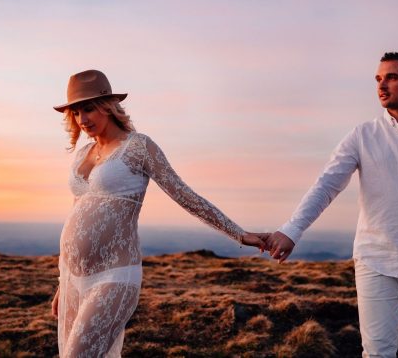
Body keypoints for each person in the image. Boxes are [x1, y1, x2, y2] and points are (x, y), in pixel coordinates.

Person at [264, 52, 398, 357]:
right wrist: (292, 230)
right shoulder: (361, 136)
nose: (382, 85)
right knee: (378, 352)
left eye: (391, 77)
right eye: (378, 79)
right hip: (375, 260)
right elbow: (326, 185)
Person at [50, 70, 264, 357]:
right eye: (75, 113)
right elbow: (77, 209)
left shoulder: (139, 147)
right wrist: (63, 283)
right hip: (73, 277)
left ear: (109, 106)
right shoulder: (82, 153)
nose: (82, 119)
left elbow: (185, 196)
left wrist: (240, 234)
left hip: (114, 276)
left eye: (88, 109)